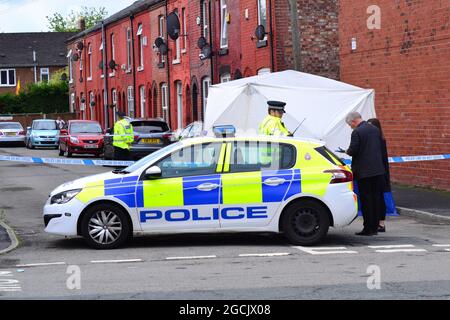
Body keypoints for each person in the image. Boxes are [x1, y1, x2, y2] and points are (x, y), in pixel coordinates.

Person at [345, 112, 385, 236]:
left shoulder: (357, 132)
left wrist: (347, 151)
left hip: (364, 172)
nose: (350, 127)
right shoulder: (375, 129)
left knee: (366, 200)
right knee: (376, 199)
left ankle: (368, 228)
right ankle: (375, 227)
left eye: (349, 124)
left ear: (353, 122)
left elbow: (353, 150)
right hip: (378, 170)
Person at [368, 118, 391, 232]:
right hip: (378, 171)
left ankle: (381, 223)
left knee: (379, 198)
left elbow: (383, 159)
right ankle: (377, 222)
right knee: (376, 198)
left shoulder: (380, 140)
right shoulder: (377, 139)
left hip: (380, 172)